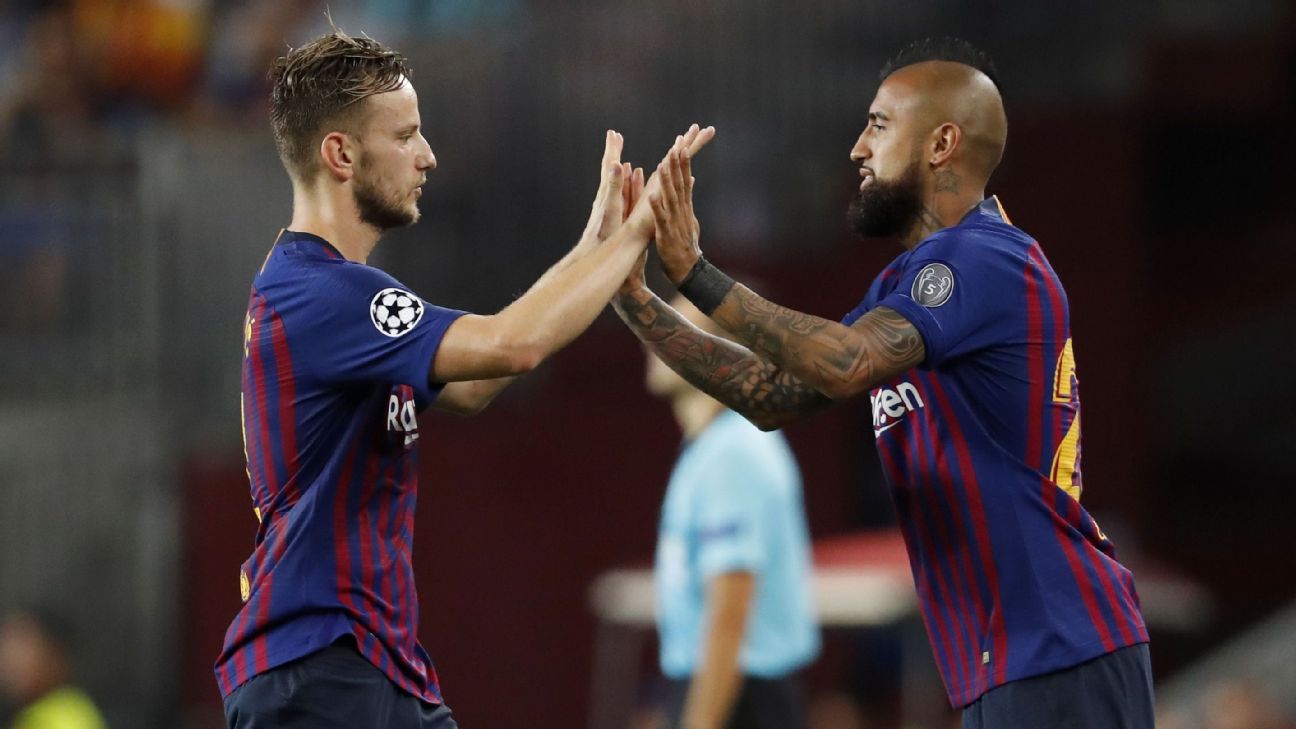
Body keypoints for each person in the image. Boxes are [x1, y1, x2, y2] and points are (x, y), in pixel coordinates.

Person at [613, 37, 1153, 729]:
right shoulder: (906, 283)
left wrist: (694, 270)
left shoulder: (987, 258)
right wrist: (633, 298)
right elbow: (772, 396)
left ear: (941, 143)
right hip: (1010, 661)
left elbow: (845, 362)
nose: (857, 150)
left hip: (1059, 645)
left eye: (878, 125)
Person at [213, 27, 714, 729]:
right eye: (406, 135)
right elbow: (514, 345)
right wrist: (636, 233)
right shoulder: (323, 294)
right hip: (318, 665)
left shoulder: (327, 295)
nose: (428, 155)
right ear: (341, 154)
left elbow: (476, 383)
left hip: (367, 662)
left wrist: (593, 248)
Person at [645, 295, 819, 729]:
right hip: (731, 691)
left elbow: (728, 618)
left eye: (670, 325)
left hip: (743, 702)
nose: (650, 335)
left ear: (717, 350)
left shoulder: (733, 454)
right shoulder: (711, 447)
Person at [0, 607, 108, 729]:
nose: (8, 658)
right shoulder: (30, 715)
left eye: (22, 644)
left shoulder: (66, 718)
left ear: (55, 653)